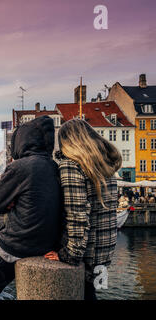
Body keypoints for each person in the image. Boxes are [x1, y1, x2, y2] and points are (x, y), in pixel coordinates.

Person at [0, 115, 61, 300]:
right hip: (45, 246)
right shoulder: (55, 167)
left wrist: (11, 202)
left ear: (21, 142)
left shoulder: (20, 167)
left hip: (16, 245)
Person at [45, 119, 121, 301]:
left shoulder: (71, 166)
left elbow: (77, 215)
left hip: (87, 252)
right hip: (105, 249)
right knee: (91, 293)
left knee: (85, 294)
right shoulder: (104, 165)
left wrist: (68, 254)